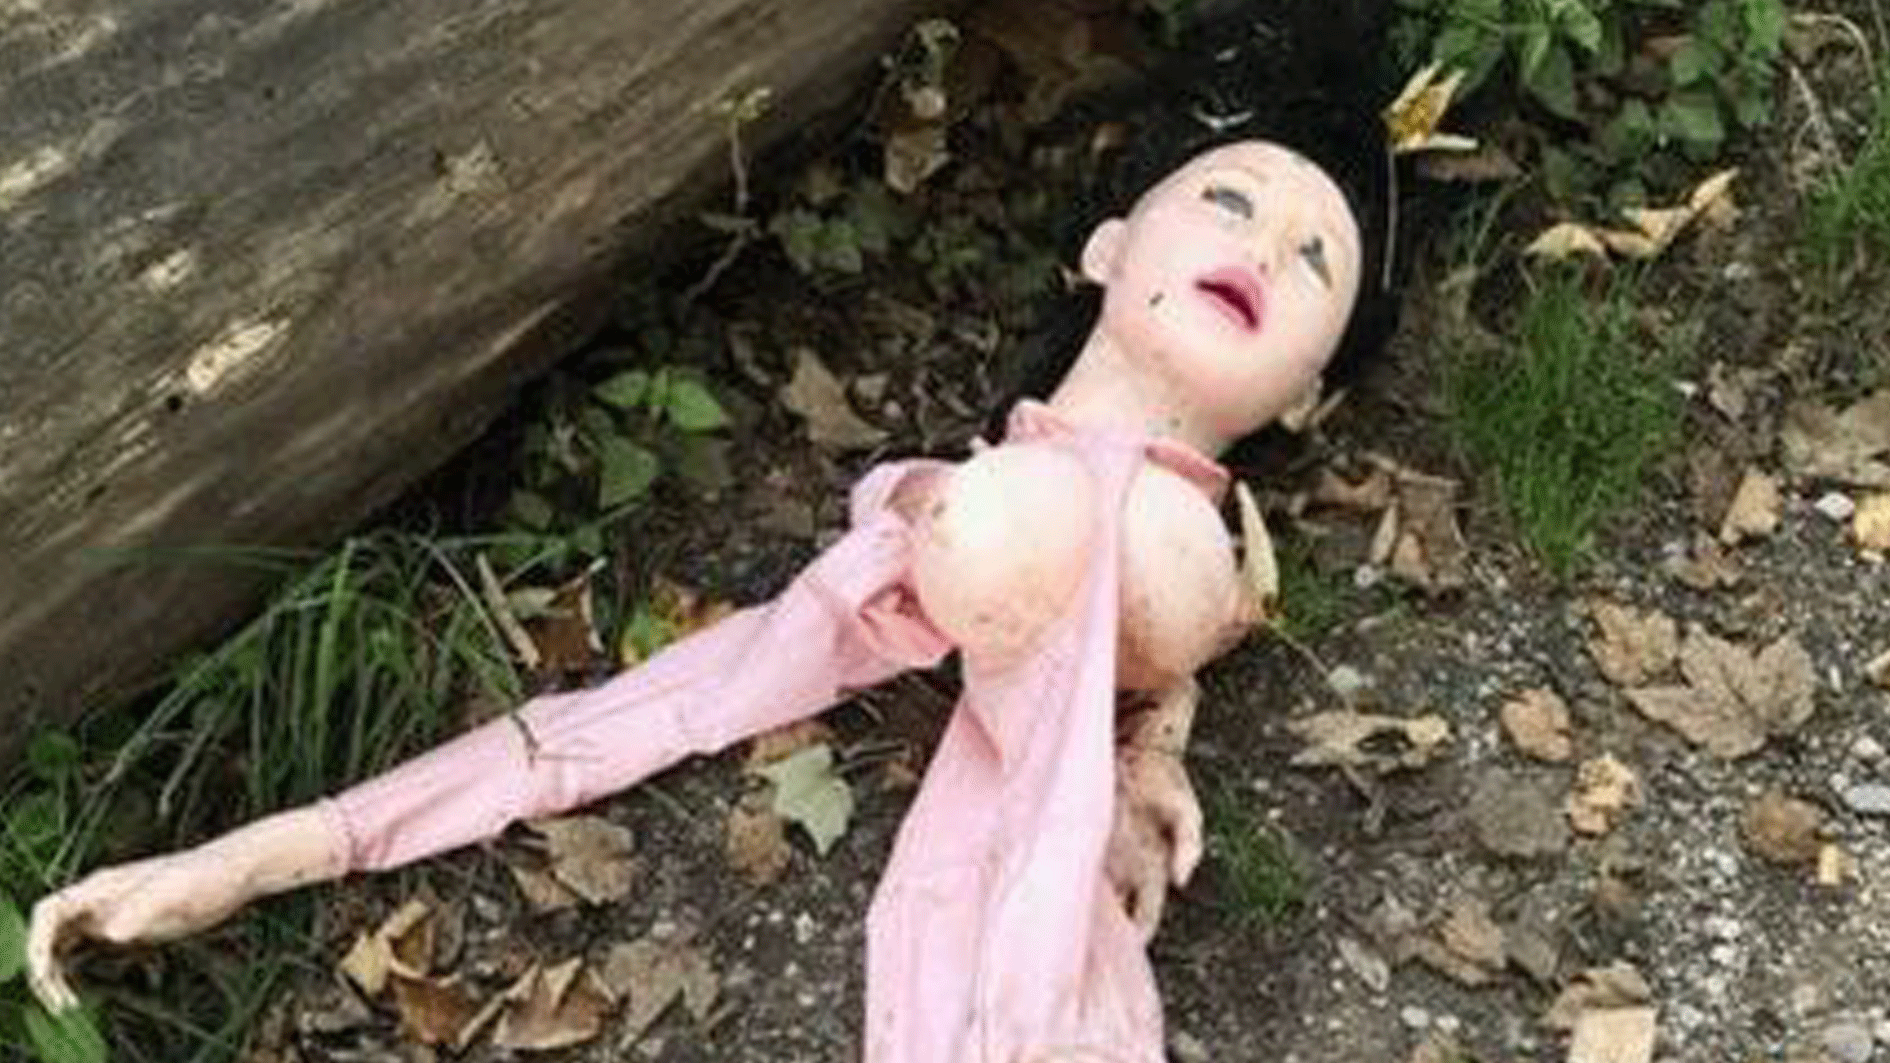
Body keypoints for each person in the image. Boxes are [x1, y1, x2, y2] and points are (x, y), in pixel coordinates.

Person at [29, 138, 1363, 1062]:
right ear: (1109, 245)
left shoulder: (1178, 541)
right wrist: (252, 857)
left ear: (1307, 397)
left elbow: (1151, 632)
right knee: (1009, 523)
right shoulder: (932, 517)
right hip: (996, 533)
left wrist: (1146, 747)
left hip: (1107, 557)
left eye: (1315, 258)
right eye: (1228, 200)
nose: (1265, 244)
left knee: (1069, 529)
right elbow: (642, 710)